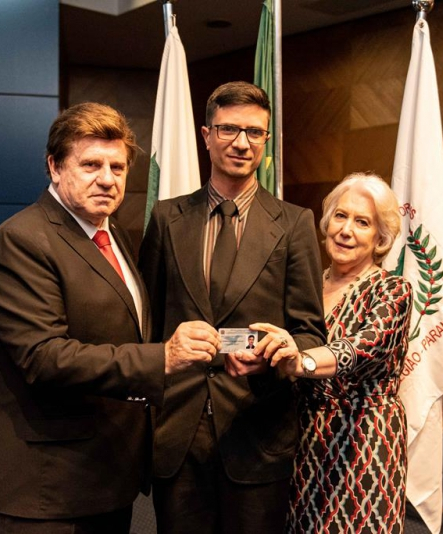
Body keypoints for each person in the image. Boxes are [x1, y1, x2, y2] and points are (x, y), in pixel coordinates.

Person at [0, 102, 220, 534]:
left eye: (118, 167)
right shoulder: (20, 240)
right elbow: (44, 357)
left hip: (107, 475)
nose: (107, 179)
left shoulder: (113, 234)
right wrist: (162, 358)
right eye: (91, 165)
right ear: (54, 167)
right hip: (47, 489)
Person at [138, 81, 326, 533]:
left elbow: (310, 333)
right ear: (206, 136)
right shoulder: (165, 219)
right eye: (229, 129)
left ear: (266, 140)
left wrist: (279, 354)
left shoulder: (295, 224)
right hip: (178, 430)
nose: (242, 143)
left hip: (257, 428)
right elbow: (147, 325)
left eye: (255, 132)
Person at [232, 173, 413, 533]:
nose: (346, 230)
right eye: (340, 216)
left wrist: (301, 361)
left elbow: (361, 348)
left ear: (380, 238)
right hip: (302, 441)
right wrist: (225, 344)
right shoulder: (306, 285)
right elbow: (271, 338)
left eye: (362, 222)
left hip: (363, 445)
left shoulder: (393, 291)